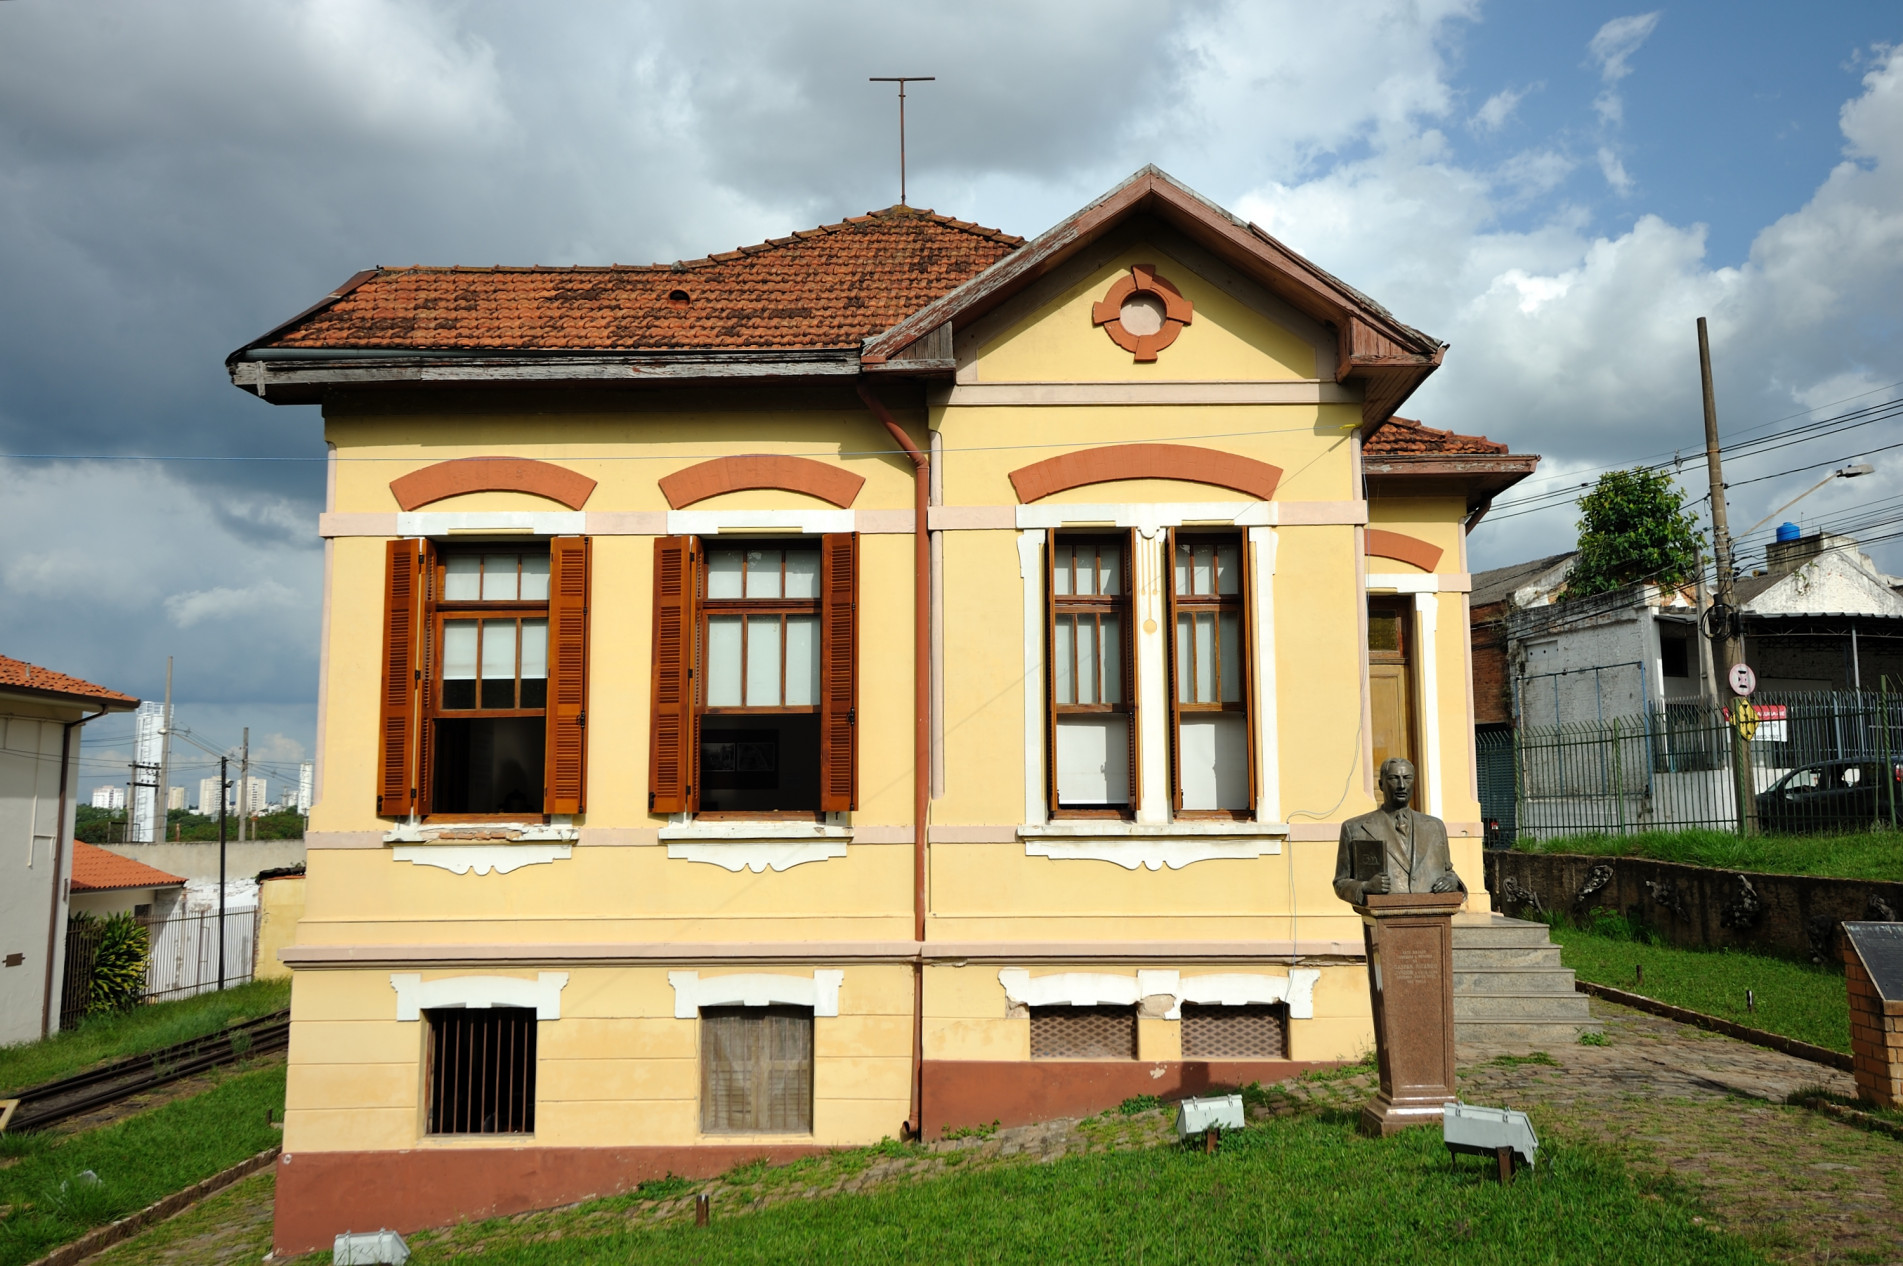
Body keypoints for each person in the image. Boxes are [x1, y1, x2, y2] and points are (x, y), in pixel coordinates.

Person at [1332, 757, 1464, 905]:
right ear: (1381, 784)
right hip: (1384, 915)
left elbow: (1449, 872)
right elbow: (1340, 883)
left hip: (1431, 912)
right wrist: (1364, 887)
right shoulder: (1355, 828)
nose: (1402, 785)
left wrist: (1452, 882)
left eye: (1407, 778)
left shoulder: (1435, 827)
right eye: (1394, 778)